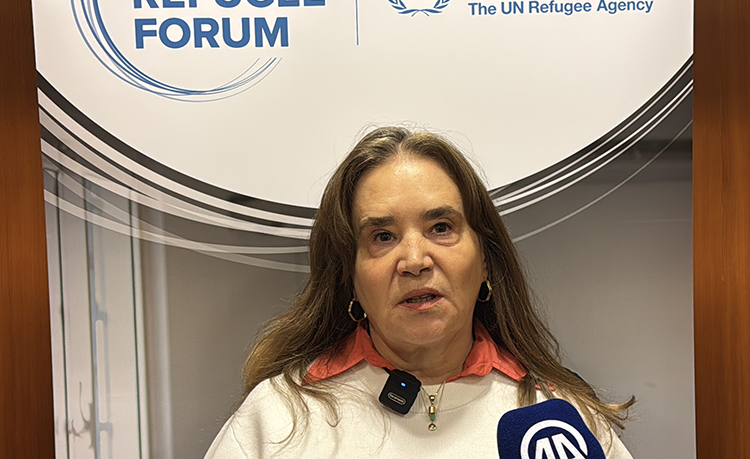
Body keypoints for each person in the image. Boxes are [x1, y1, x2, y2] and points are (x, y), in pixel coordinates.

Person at [204, 127, 634, 458]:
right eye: (383, 236)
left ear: (486, 260)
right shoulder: (276, 418)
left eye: (441, 228)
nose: (414, 260)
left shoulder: (560, 423)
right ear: (350, 277)